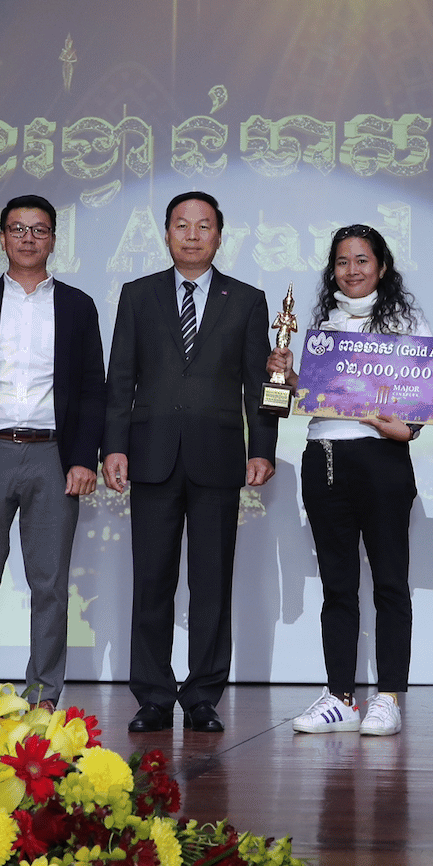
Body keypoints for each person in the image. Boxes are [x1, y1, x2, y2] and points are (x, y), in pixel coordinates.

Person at [101, 191, 278, 735]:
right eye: (182, 225)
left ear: (220, 236)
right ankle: (153, 697)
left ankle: (203, 696)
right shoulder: (138, 295)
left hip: (218, 458)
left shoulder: (246, 300)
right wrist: (113, 446)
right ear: (167, 234)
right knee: (151, 582)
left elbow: (259, 385)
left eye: (204, 226)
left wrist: (262, 448)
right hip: (151, 456)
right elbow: (120, 379)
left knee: (211, 584)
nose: (193, 235)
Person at [0, 194, 105, 708]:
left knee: (50, 584)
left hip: (52, 456)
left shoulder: (77, 306)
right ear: (3, 237)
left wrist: (84, 458)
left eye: (39, 230)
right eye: (18, 228)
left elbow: (93, 390)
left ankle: (43, 694)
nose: (28, 238)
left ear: (53, 239)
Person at [275, 224, 426, 739]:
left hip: (382, 460)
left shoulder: (406, 323)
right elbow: (320, 399)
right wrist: (289, 378)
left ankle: (388, 697)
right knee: (337, 586)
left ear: (381, 267)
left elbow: (428, 393)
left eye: (362, 260)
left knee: (390, 584)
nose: (352, 270)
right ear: (332, 269)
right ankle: (340, 697)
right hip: (324, 460)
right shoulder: (323, 326)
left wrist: (409, 429)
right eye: (342, 261)